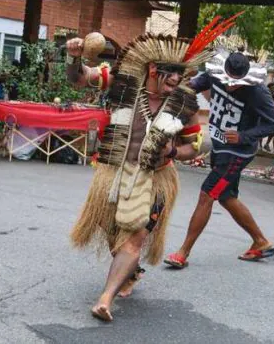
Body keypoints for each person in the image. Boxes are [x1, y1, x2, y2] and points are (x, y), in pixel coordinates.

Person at [67, 16, 237, 321]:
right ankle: (129, 273)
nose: (178, 83)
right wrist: (75, 57)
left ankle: (105, 299)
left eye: (181, 77)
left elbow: (195, 146)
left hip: (155, 179)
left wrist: (174, 150)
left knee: (135, 237)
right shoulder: (121, 83)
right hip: (113, 172)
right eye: (173, 77)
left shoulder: (185, 103)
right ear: (154, 70)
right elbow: (80, 78)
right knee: (112, 229)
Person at [164, 51, 274, 268]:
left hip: (238, 153)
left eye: (237, 84)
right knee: (226, 197)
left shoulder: (257, 92)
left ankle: (182, 253)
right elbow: (193, 86)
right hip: (220, 147)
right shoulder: (214, 75)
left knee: (207, 194)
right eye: (228, 81)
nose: (231, 87)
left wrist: (243, 136)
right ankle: (261, 242)